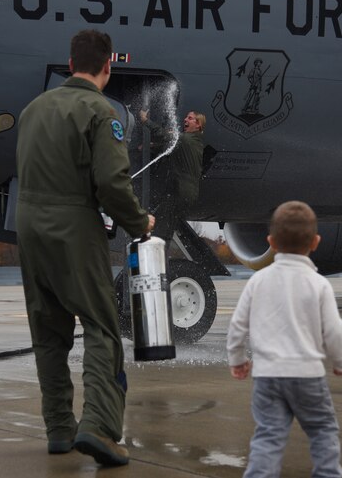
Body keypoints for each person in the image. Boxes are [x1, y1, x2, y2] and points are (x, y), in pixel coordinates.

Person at [15, 29, 155, 467]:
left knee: (48, 333)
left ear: (70, 63)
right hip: (73, 225)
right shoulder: (100, 110)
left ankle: (59, 429)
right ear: (108, 66)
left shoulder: (33, 110)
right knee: (100, 327)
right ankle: (99, 427)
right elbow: (111, 183)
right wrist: (139, 222)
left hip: (28, 225)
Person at [227, 201, 342, 478]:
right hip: (308, 376)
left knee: (269, 436)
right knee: (322, 430)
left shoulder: (257, 282)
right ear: (316, 242)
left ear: (270, 241)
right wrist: (340, 361)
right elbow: (334, 330)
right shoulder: (319, 284)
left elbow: (237, 325)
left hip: (268, 377)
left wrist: (237, 359)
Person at [137, 109, 206, 243]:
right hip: (186, 193)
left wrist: (146, 121)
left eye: (190, 118)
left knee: (161, 228)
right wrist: (152, 147)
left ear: (198, 125)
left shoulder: (186, 140)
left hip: (180, 191)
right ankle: (160, 247)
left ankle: (157, 254)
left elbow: (165, 136)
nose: (185, 120)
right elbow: (172, 147)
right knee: (165, 223)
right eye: (186, 117)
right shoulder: (195, 142)